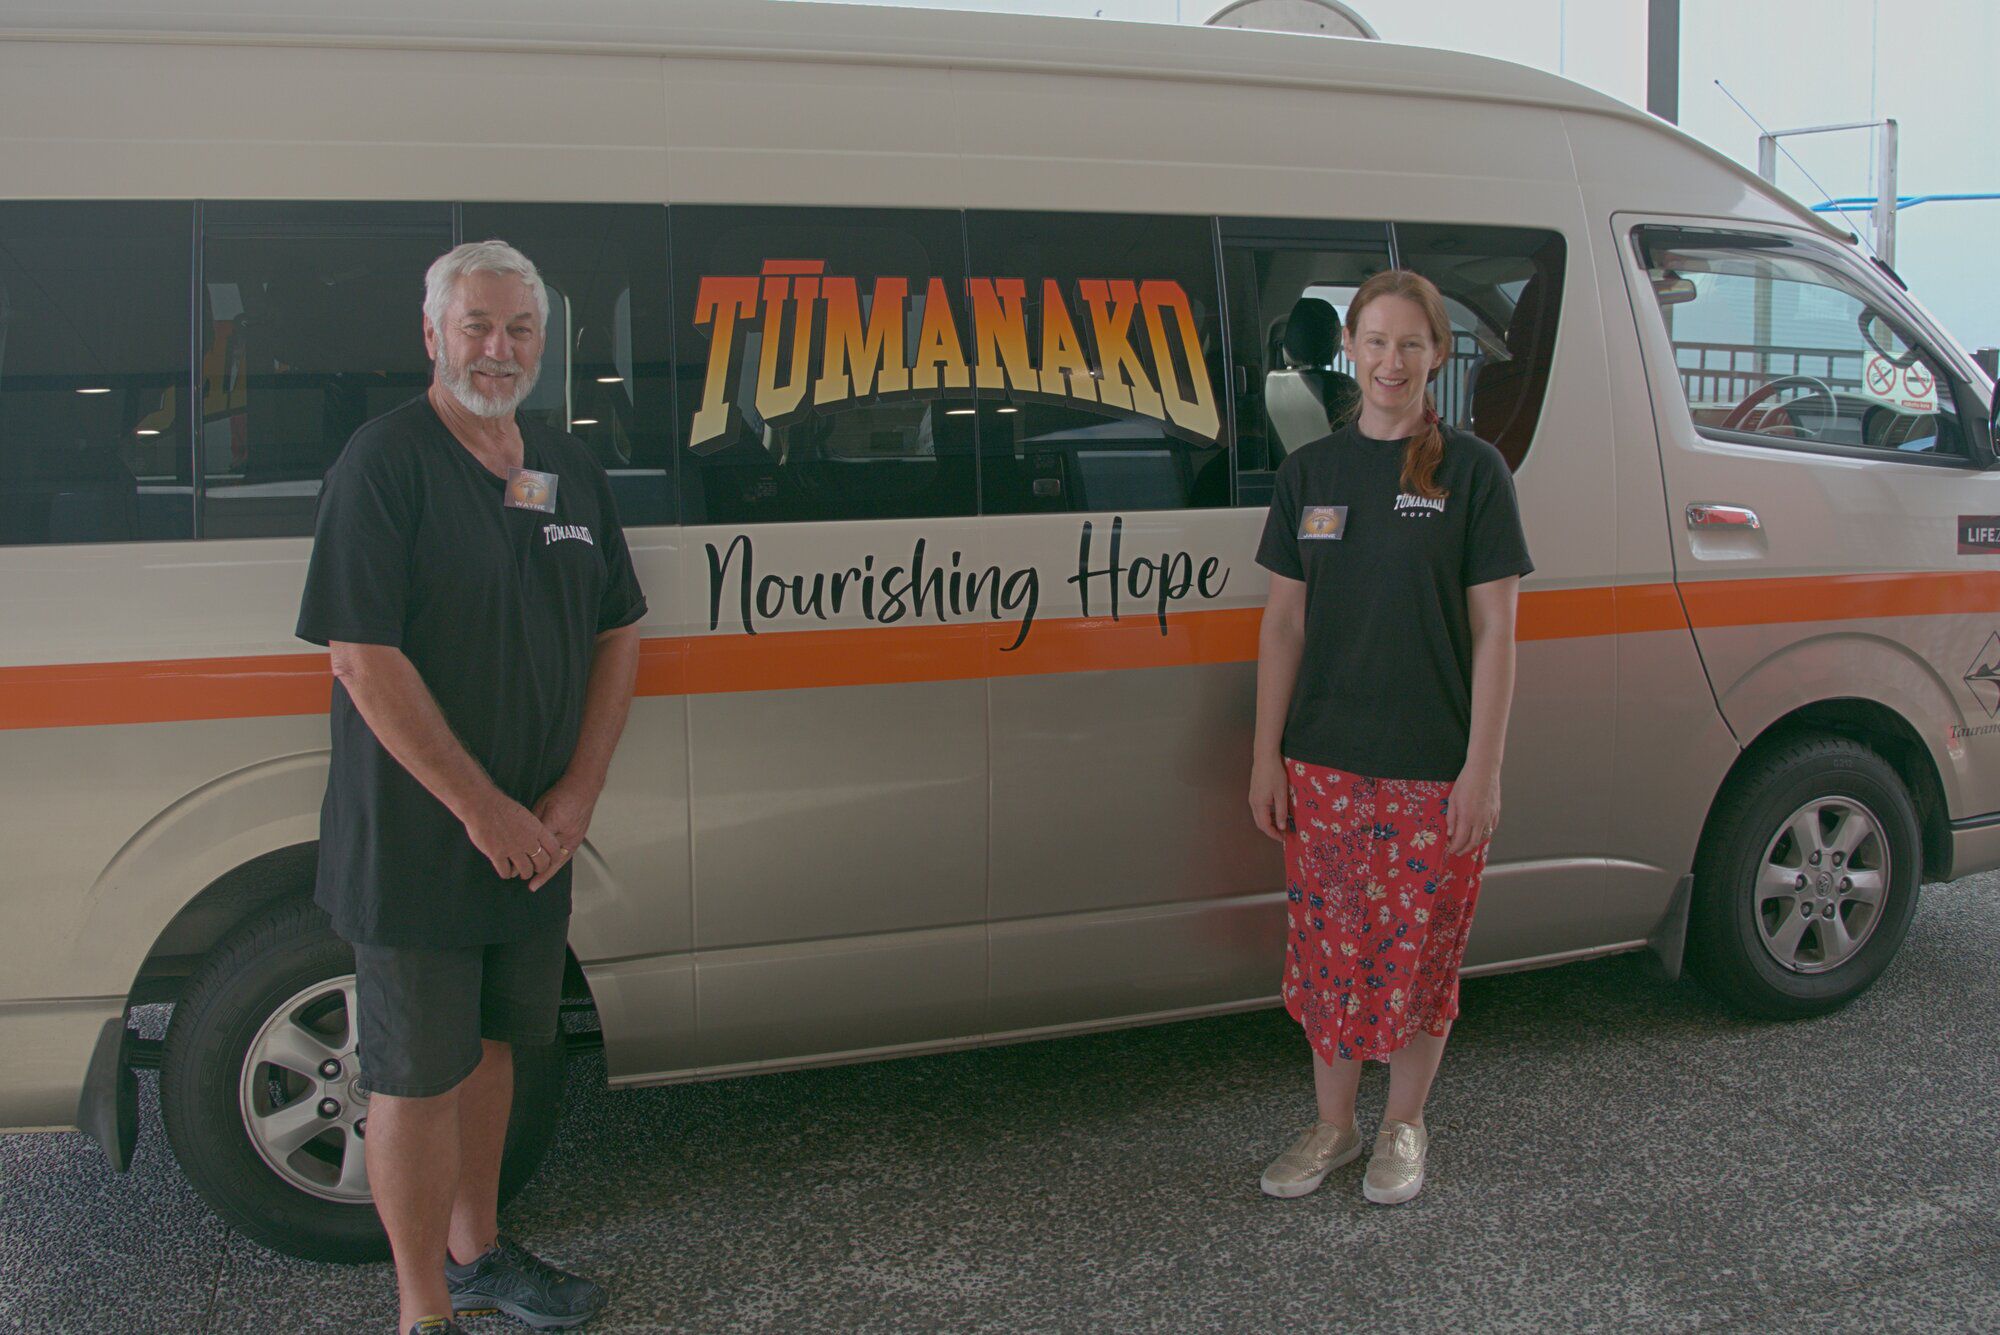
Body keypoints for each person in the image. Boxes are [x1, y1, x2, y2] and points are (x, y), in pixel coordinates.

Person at [296, 240, 647, 1333]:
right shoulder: (385, 460)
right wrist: (482, 808)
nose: (498, 349)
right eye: (478, 326)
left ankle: (480, 1255)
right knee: (412, 1076)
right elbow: (361, 656)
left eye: (520, 330)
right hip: (418, 841)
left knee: (497, 1051)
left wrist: (575, 796)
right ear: (433, 335)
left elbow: (620, 630)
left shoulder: (560, 464)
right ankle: (420, 1312)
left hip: (535, 838)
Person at [1247, 269, 1531, 1206]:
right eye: (1375, 341)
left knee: (1422, 954)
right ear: (1351, 351)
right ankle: (1333, 1126)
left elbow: (1496, 631)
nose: (1391, 361)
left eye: (1411, 343)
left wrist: (1480, 769)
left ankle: (1404, 1127)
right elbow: (1282, 626)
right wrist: (1266, 756)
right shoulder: (1310, 475)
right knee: (1328, 954)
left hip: (1431, 769)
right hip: (1323, 763)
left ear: (1438, 355)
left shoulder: (1474, 473)